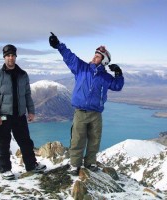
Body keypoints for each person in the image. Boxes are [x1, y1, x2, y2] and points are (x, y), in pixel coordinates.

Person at [49, 32, 124, 175]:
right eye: (94, 54)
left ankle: (90, 163)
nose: (94, 57)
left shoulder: (105, 77)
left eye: (97, 56)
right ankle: (75, 165)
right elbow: (69, 56)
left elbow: (117, 86)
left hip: (96, 114)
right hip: (80, 112)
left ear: (104, 61)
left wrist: (119, 73)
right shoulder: (81, 68)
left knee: (94, 141)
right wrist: (58, 45)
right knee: (77, 140)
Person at [0, 44, 46, 180]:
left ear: (15, 56)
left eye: (12, 55)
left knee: (26, 141)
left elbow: (27, 95)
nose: (10, 58)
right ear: (4, 57)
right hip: (3, 115)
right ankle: (5, 169)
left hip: (19, 115)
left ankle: (31, 165)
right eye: (8, 56)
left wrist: (31, 111)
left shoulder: (23, 75)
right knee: (3, 143)